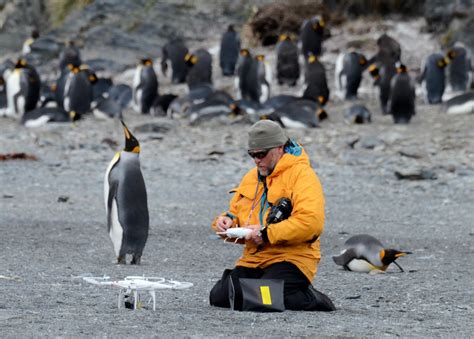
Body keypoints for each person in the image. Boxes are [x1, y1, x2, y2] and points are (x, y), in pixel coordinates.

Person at [209, 120, 335, 312]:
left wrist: (266, 233)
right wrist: (226, 222)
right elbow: (236, 212)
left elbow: (310, 223)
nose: (256, 160)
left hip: (292, 258)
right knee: (219, 296)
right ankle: (268, 289)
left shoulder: (302, 176)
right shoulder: (253, 177)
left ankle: (313, 298)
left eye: (261, 154)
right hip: (255, 259)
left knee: (262, 299)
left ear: (279, 148)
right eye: (252, 155)